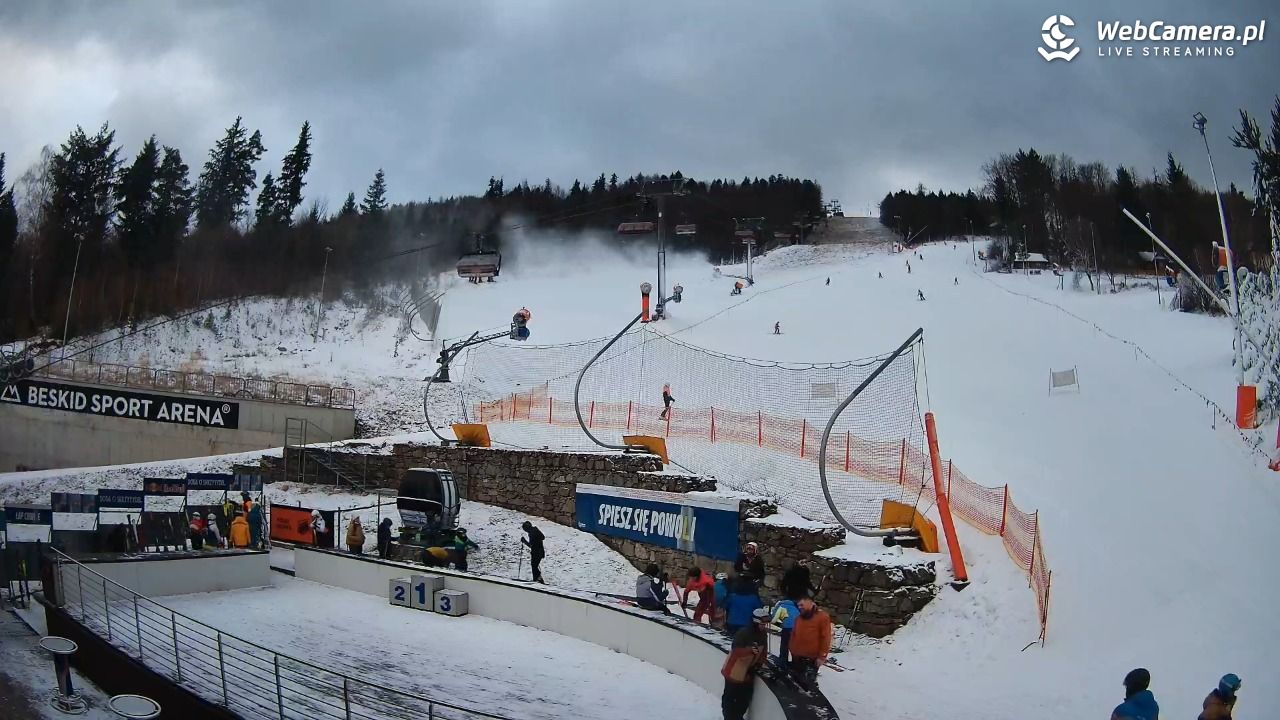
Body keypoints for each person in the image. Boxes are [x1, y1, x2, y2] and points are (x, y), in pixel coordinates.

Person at [720, 607, 770, 720]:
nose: (763, 627)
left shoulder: (763, 634)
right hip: (734, 669)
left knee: (744, 698)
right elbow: (735, 651)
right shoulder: (743, 633)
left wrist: (759, 663)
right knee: (730, 697)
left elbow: (763, 651)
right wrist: (749, 650)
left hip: (748, 671)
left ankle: (738, 716)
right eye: (761, 624)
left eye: (764, 624)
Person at [788, 595, 833, 688]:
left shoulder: (822, 617)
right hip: (796, 657)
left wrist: (822, 656)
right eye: (798, 605)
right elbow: (793, 635)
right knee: (795, 682)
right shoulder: (798, 618)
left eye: (801, 605)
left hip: (811, 659)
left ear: (810, 602)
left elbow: (826, 638)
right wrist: (792, 649)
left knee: (807, 685)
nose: (799, 607)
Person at [770, 595, 799, 665]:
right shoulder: (796, 606)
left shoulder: (781, 605)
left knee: (784, 645)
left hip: (786, 628)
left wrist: (781, 625)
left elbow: (774, 618)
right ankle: (796, 663)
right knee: (794, 646)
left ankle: (783, 661)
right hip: (797, 629)